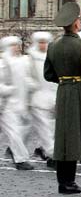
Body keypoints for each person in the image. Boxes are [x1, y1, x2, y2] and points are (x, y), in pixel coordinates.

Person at [44, 2, 81, 194]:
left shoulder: (52, 46)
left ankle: (63, 181)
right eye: (78, 20)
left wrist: (64, 81)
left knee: (63, 137)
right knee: (75, 136)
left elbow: (48, 75)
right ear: (76, 24)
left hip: (63, 90)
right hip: (78, 92)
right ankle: (69, 183)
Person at [0, 36, 34, 170]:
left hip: (20, 104)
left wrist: (31, 85)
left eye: (18, 45)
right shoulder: (3, 64)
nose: (17, 47)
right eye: (14, 45)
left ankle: (15, 152)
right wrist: (8, 89)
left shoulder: (23, 61)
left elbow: (26, 79)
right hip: (6, 105)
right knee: (14, 131)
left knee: (23, 129)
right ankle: (20, 159)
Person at [27, 32, 57, 168]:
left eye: (45, 42)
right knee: (45, 130)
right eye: (40, 42)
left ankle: (44, 151)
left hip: (52, 99)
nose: (43, 45)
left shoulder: (52, 57)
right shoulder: (30, 58)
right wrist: (34, 86)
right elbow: (26, 78)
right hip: (38, 100)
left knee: (52, 128)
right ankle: (53, 155)